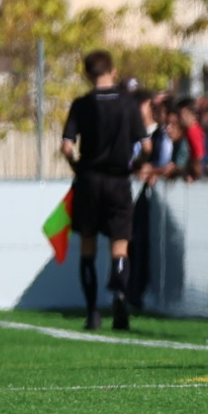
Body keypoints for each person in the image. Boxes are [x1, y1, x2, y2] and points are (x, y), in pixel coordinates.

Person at [61, 52, 146, 330]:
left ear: (87, 74)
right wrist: (138, 165)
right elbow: (146, 146)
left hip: (89, 180)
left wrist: (76, 166)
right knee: (120, 245)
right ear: (113, 70)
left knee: (88, 246)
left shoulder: (82, 104)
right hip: (119, 180)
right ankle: (119, 294)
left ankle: (92, 312)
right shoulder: (128, 103)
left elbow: (67, 147)